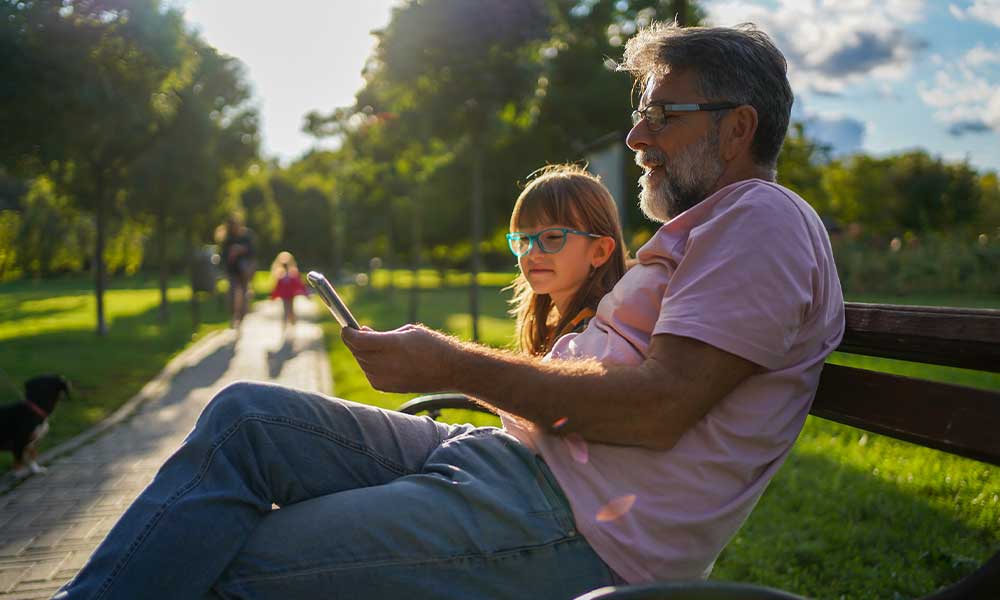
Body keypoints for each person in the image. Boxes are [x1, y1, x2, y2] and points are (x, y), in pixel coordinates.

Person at [55, 22, 845, 599]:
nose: (638, 134)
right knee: (245, 419)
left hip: (570, 524)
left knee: (227, 561)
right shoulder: (709, 230)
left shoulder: (761, 220)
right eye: (643, 110)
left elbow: (657, 408)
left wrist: (449, 363)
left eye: (664, 114)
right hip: (512, 465)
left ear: (737, 128)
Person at [506, 164, 627, 356]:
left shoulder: (594, 337)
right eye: (523, 239)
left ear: (599, 251)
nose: (533, 252)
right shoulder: (555, 326)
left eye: (553, 237)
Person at [218, 212, 256, 329]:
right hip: (232, 270)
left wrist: (241, 250)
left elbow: (253, 252)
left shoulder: (246, 236)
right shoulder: (227, 239)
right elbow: (222, 255)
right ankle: (234, 316)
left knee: (244, 294)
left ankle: (241, 318)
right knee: (232, 294)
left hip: (245, 271)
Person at [269, 251, 309, 333]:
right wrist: (273, 296)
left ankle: (292, 324)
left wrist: (305, 293)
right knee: (285, 311)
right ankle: (284, 326)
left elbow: (299, 284)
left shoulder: (293, 274)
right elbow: (277, 287)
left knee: (291, 311)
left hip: (291, 296)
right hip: (284, 296)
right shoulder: (280, 275)